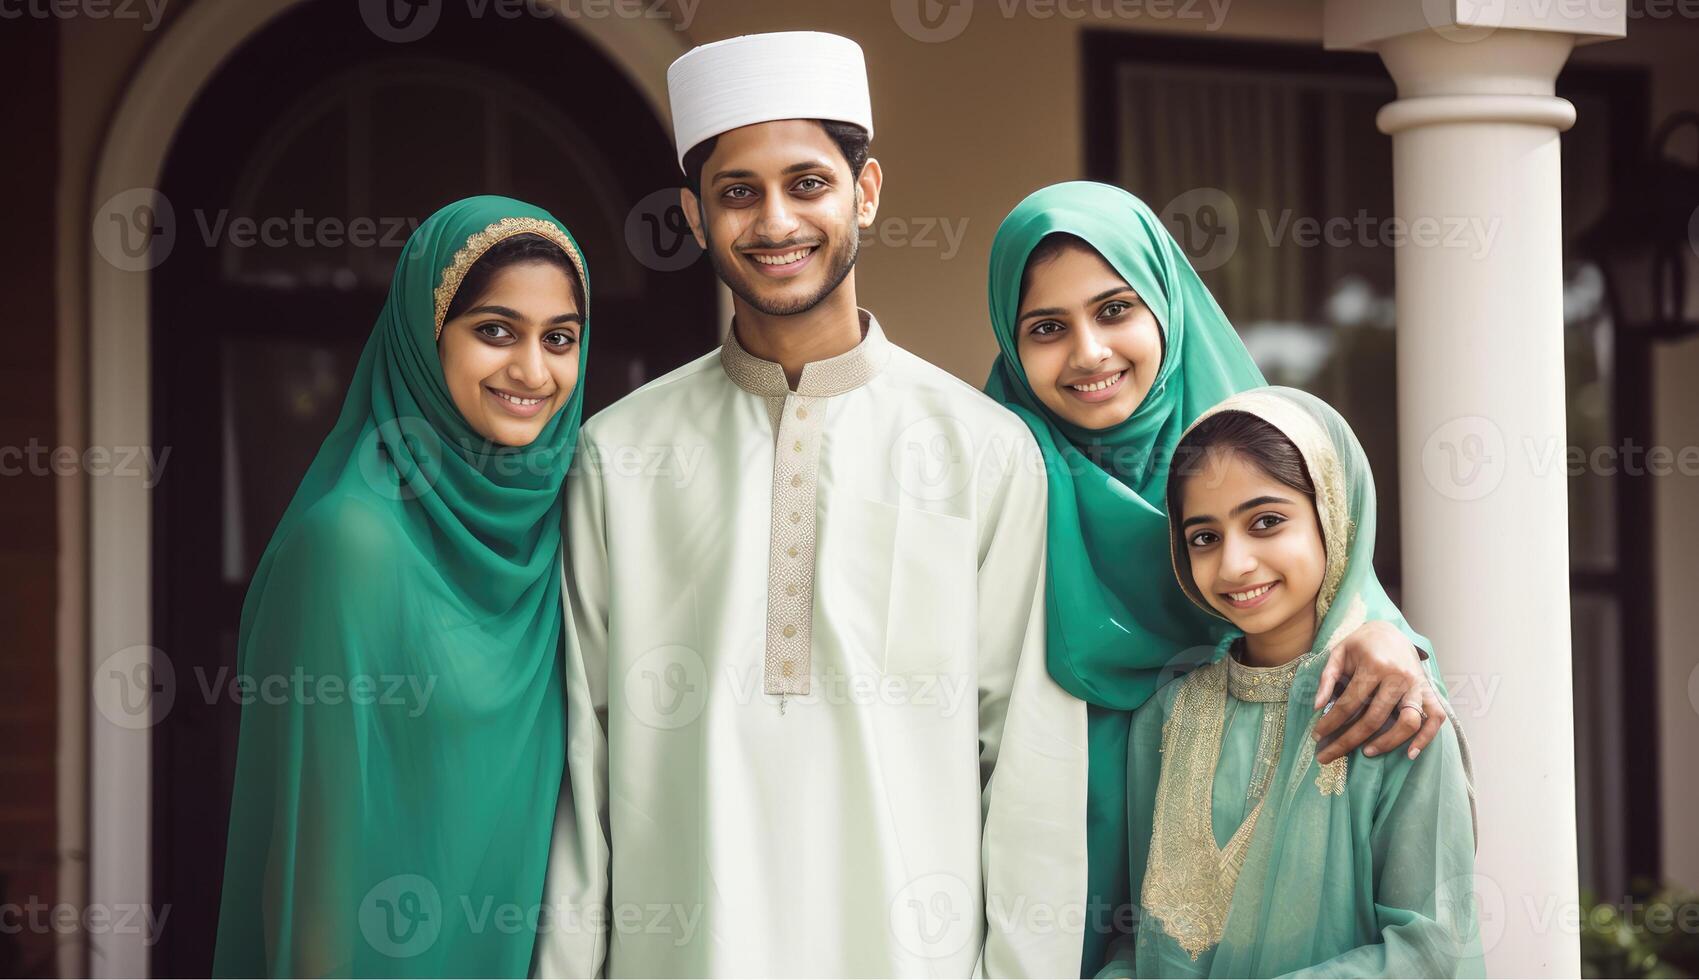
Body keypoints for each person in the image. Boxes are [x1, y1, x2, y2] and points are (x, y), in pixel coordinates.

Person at [534, 31, 1087, 978]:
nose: (774, 220)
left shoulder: (983, 451)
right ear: (694, 216)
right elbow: (578, 775)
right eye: (737, 192)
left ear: (865, 192)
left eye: (808, 183)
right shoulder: (618, 456)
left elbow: (1033, 769)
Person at [982, 182, 1453, 973]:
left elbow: (1338, 578)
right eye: (1046, 327)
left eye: (1115, 309)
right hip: (1033, 850)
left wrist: (1387, 635)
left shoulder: (1240, 455)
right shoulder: (989, 482)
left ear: (1166, 304)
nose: (1089, 352)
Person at [213, 196, 591, 977]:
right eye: (494, 331)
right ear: (425, 338)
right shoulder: (353, 545)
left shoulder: (571, 527)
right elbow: (311, 863)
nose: (532, 369)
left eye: (559, 339)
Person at [1102, 386, 1480, 977]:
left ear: (1334, 514)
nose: (1233, 564)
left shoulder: (1393, 710)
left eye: (1267, 522)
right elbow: (1141, 940)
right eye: (1205, 537)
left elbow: (1430, 952)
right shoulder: (1168, 714)